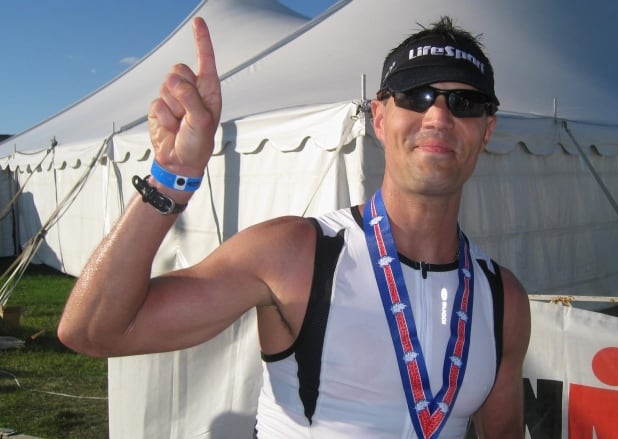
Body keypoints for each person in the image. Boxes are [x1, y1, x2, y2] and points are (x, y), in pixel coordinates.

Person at [58, 15, 531, 439]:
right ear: (380, 119)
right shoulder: (293, 253)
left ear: (487, 130)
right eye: (416, 95)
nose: (439, 116)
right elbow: (94, 331)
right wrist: (171, 178)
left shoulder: (502, 298)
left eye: (465, 104)